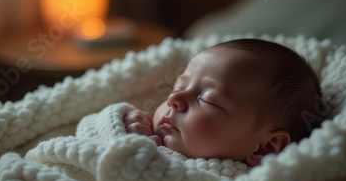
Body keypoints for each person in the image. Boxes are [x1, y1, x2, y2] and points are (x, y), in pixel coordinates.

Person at [123, 38, 323, 167]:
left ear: (265, 147)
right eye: (178, 86)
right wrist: (121, 127)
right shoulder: (142, 125)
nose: (174, 99)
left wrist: (134, 154)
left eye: (207, 100)